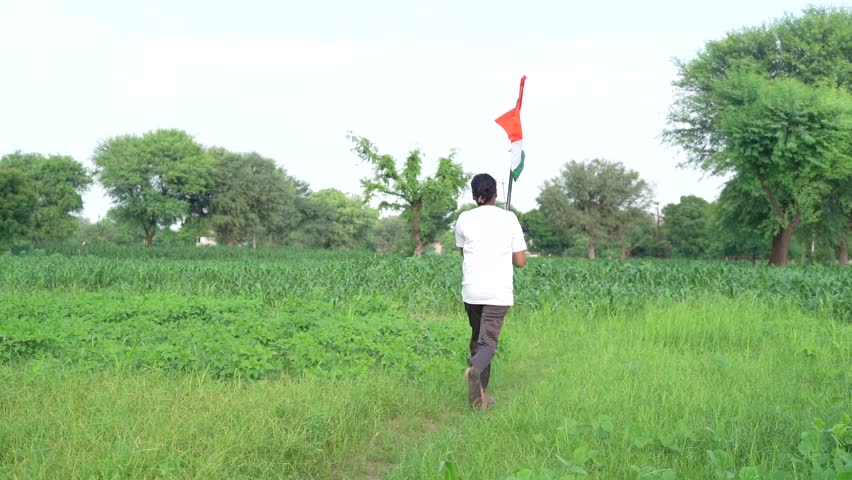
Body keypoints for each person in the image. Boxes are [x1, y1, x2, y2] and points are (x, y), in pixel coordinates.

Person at [454, 173, 527, 409]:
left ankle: (480, 398)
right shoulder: (509, 218)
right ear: (496, 194)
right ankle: (474, 370)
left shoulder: (464, 218)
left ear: (474, 195)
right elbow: (520, 261)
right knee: (487, 345)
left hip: (472, 290)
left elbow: (464, 252)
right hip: (498, 291)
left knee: (478, 340)